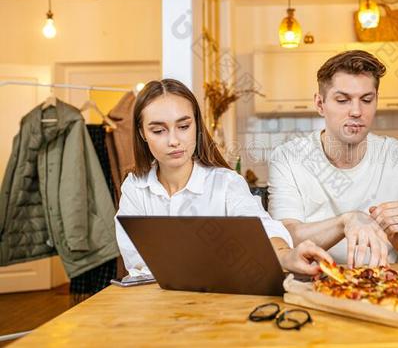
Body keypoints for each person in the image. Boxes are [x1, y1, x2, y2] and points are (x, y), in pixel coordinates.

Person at [115, 79, 332, 277]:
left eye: (183, 127)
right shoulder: (135, 187)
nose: (173, 140)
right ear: (142, 133)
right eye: (158, 130)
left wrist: (286, 255)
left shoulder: (227, 183)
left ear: (197, 125)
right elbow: (136, 261)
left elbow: (262, 229)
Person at [268, 50, 398, 274]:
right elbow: (284, 240)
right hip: (313, 285)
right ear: (319, 103)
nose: (356, 111)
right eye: (342, 100)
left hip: (389, 291)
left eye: (366, 100)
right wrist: (346, 221)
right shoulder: (288, 158)